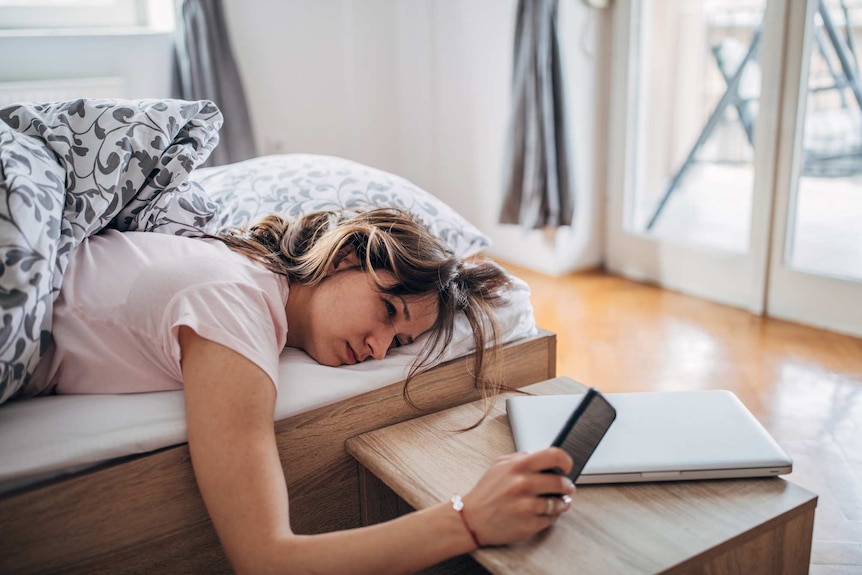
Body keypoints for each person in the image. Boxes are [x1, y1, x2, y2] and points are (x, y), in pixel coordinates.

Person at [30, 208, 576, 574]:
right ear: (344, 259)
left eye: (400, 338)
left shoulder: (243, 276)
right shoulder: (232, 303)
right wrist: (469, 519)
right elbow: (267, 560)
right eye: (387, 310)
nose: (380, 348)